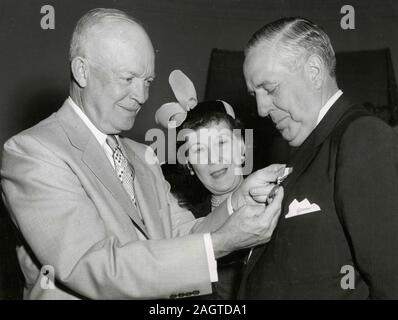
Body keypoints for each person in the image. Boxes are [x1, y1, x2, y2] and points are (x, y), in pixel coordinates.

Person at [0, 8, 284, 300]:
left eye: (147, 81)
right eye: (128, 79)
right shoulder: (34, 152)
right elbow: (92, 266)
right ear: (82, 71)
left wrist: (237, 202)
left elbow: (182, 235)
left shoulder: (143, 156)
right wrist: (220, 244)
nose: (142, 96)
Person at [240, 17, 398, 299]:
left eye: (271, 89)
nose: (261, 109)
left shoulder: (363, 138)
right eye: (255, 94)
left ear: (314, 71)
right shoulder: (306, 147)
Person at [163, 99, 249, 299]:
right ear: (190, 167)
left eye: (221, 143)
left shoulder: (274, 203)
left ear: (242, 148)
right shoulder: (186, 223)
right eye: (199, 150)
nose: (213, 158)